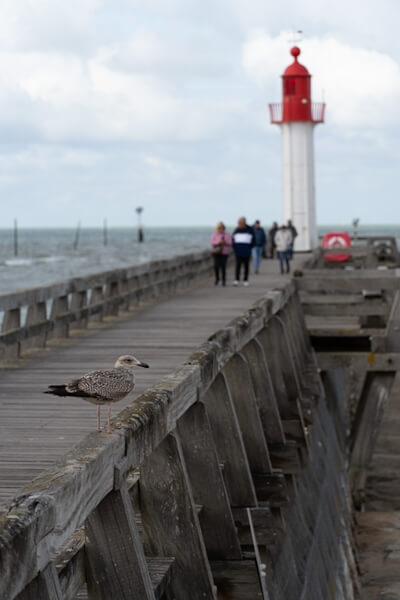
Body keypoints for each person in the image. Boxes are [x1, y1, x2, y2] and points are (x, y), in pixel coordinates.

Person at [232, 216, 254, 286]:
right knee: (238, 266)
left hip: (247, 251)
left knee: (246, 266)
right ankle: (236, 279)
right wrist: (235, 248)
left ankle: (245, 280)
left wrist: (249, 248)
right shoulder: (236, 230)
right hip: (238, 251)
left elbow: (253, 241)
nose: (239, 224)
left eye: (240, 222)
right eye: (238, 223)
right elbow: (233, 240)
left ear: (244, 222)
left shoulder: (250, 230)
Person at [210, 222, 232, 286]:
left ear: (224, 228)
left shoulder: (227, 235)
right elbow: (212, 243)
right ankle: (217, 278)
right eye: (219, 228)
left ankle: (224, 280)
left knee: (223, 267)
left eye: (222, 228)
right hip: (216, 252)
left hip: (224, 252)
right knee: (216, 266)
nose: (221, 229)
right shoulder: (214, 234)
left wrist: (225, 242)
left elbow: (230, 243)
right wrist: (218, 242)